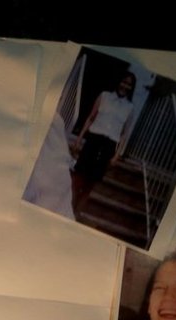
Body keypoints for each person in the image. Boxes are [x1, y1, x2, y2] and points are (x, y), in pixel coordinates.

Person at [70, 71, 136, 214]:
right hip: (93, 140)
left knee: (90, 184)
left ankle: (76, 214)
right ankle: (67, 209)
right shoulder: (104, 96)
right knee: (78, 178)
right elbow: (91, 118)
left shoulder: (130, 108)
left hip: (108, 146)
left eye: (129, 84)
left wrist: (116, 156)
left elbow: (125, 134)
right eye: (123, 82)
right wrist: (79, 139)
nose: (125, 86)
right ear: (118, 81)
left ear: (132, 88)